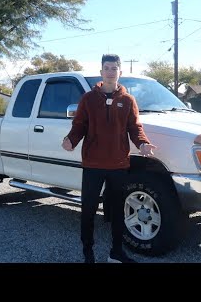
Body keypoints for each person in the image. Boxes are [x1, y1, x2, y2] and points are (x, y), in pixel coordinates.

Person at [62, 54, 156, 263]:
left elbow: (135, 128)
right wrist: (71, 140)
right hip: (93, 165)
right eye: (107, 67)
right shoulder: (88, 99)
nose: (111, 71)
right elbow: (79, 126)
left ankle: (116, 252)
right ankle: (88, 253)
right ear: (101, 71)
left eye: (114, 68)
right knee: (88, 210)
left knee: (116, 212)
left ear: (120, 72)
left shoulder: (128, 100)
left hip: (118, 165)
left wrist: (143, 143)